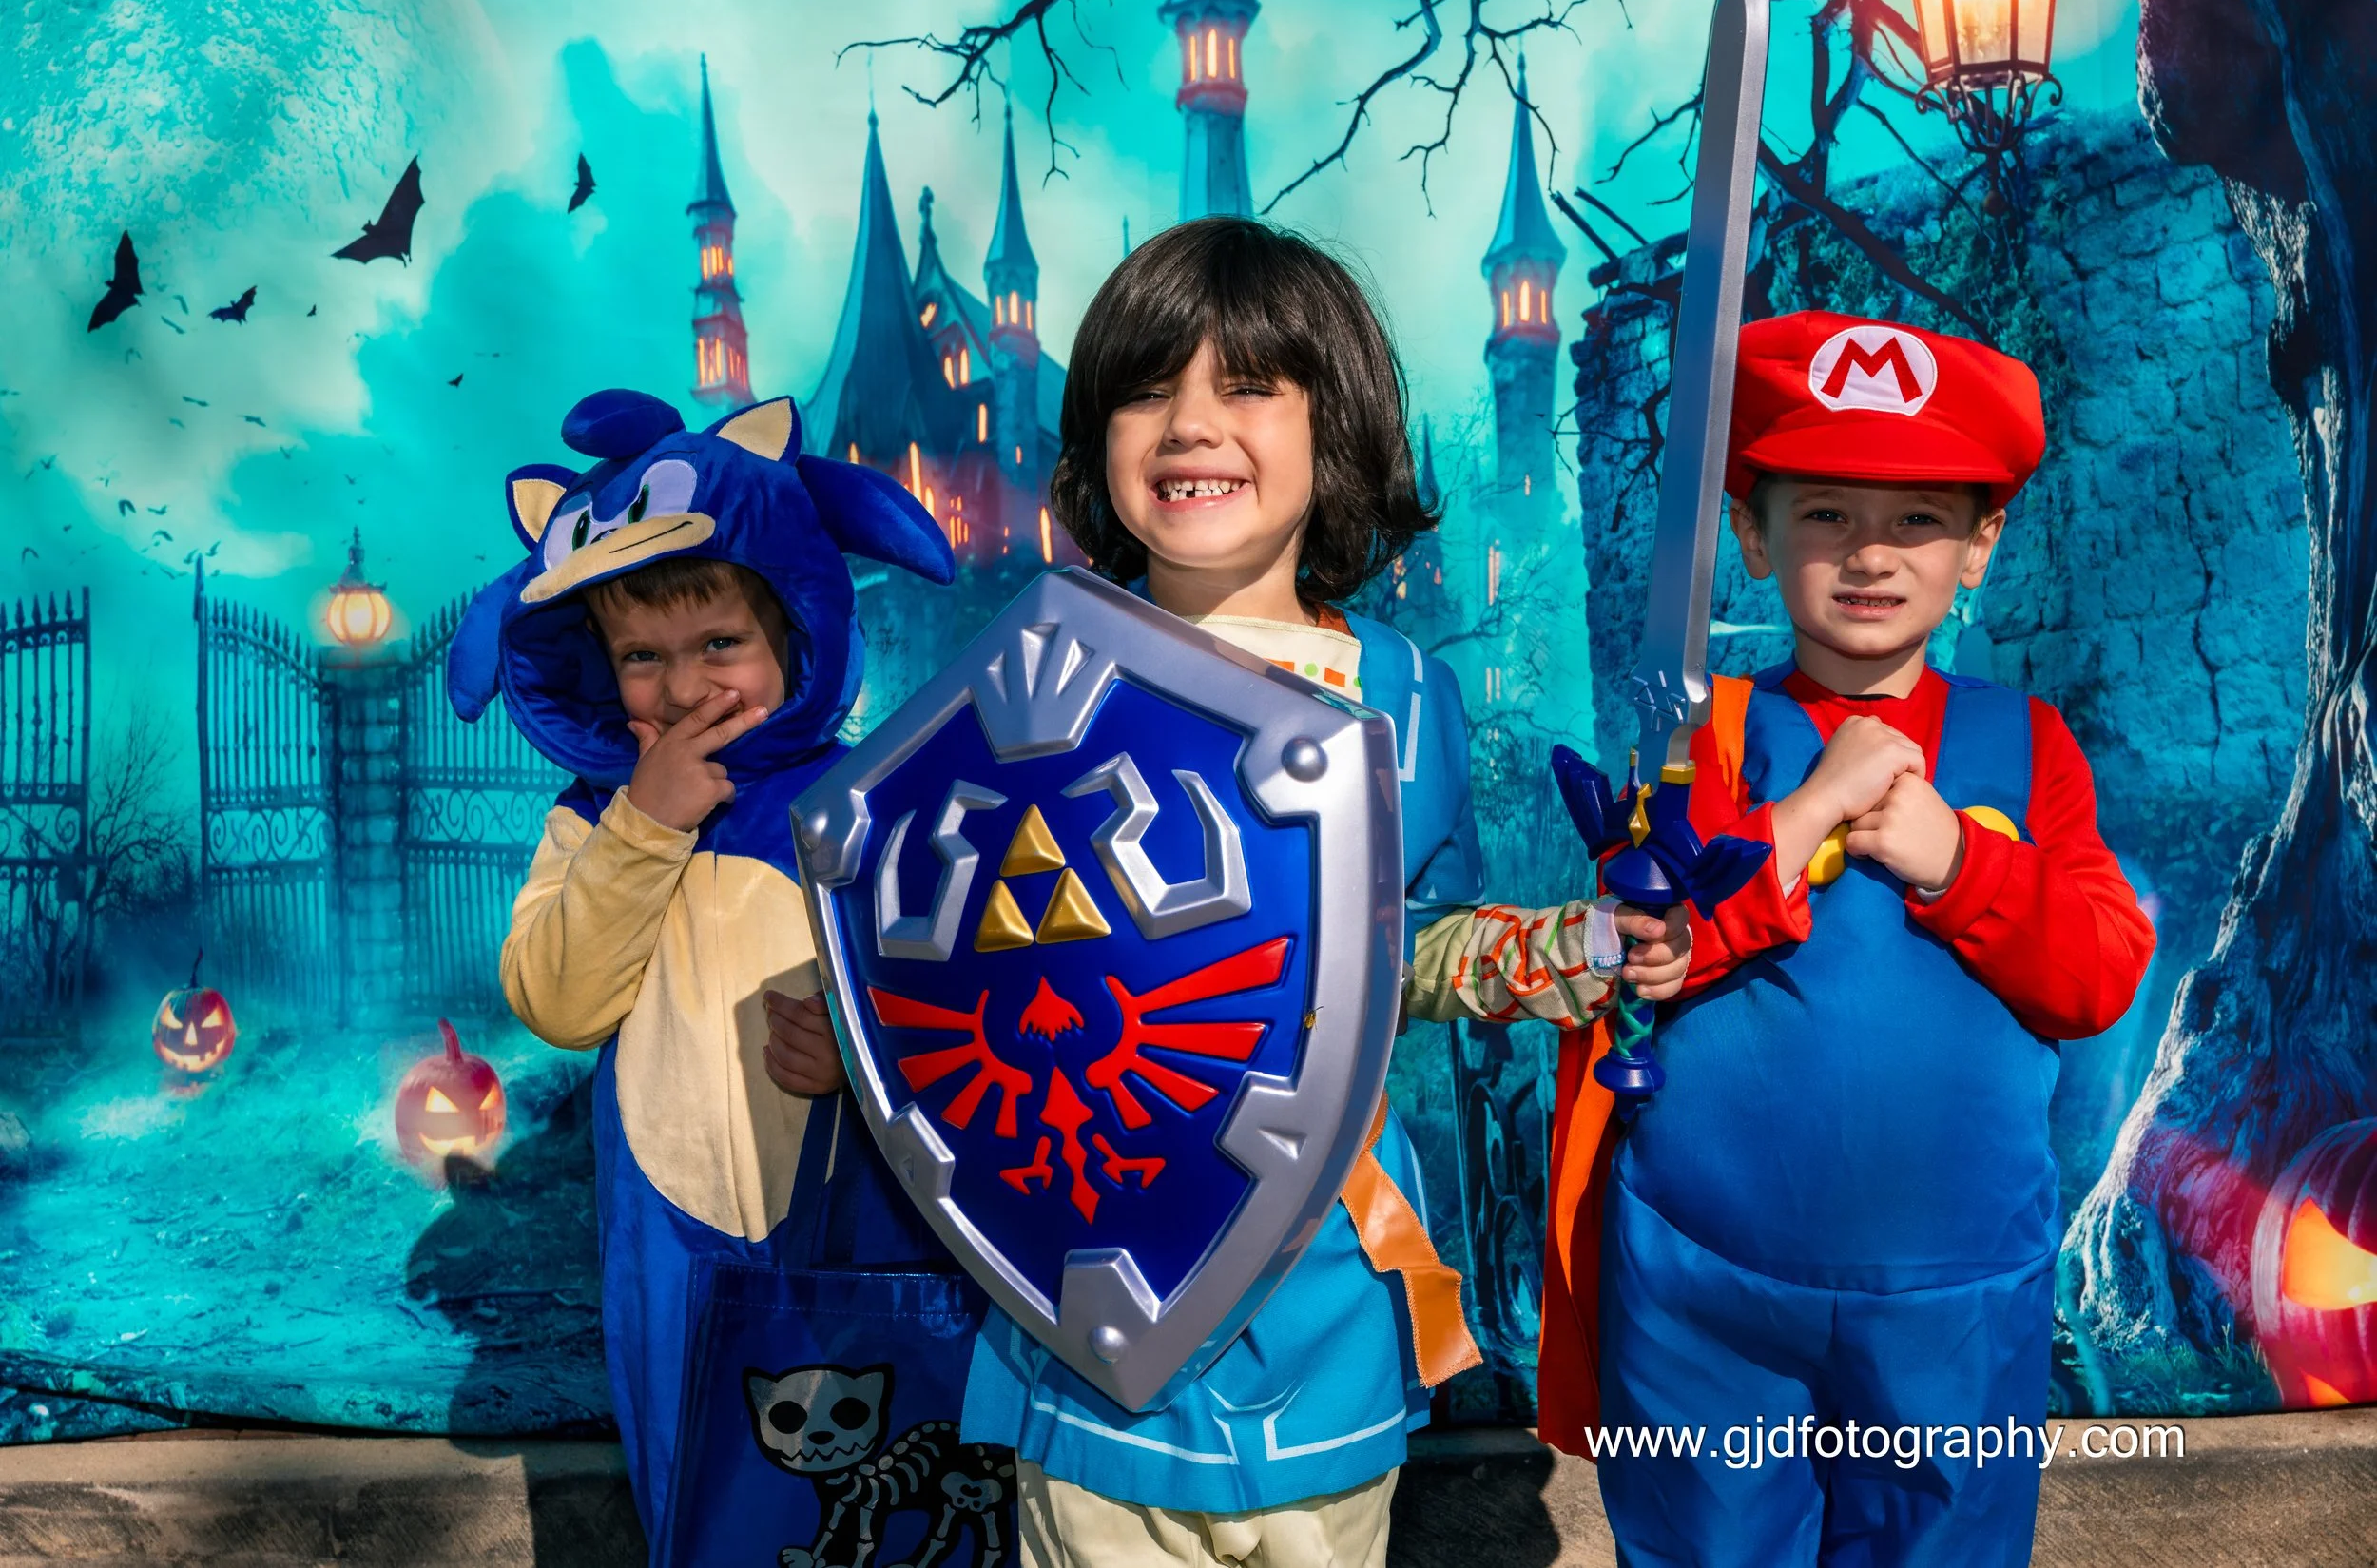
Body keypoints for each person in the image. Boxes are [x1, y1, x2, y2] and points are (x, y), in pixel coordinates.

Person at [771, 217, 1691, 1568]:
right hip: (1087, 1314)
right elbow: (947, 946)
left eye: (1249, 385)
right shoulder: (1025, 680)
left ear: (1338, 425)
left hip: (1319, 1292)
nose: (1192, 424)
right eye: (1149, 390)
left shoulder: (1400, 697)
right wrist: (855, 1035)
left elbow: (1407, 950)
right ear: (1097, 437)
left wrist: (1573, 945)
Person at [1535, 311, 2156, 1567]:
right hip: (1707, 1292)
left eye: (1918, 516)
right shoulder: (1698, 735)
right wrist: (1806, 813)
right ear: (1754, 534)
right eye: (1824, 511)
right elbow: (1637, 948)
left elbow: (2096, 976)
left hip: (1952, 1303)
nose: (1869, 552)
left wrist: (1958, 859)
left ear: (1978, 546)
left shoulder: (2027, 742)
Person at [462, 386, 1013, 1567]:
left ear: (793, 633)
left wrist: (866, 1058)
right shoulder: (588, 824)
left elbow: (973, 1008)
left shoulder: (872, 798)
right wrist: (644, 828)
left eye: (720, 644)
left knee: (891, 1510)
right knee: (705, 1507)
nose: (685, 687)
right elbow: (558, 1001)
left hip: (869, 1232)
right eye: (642, 657)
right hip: (674, 1251)